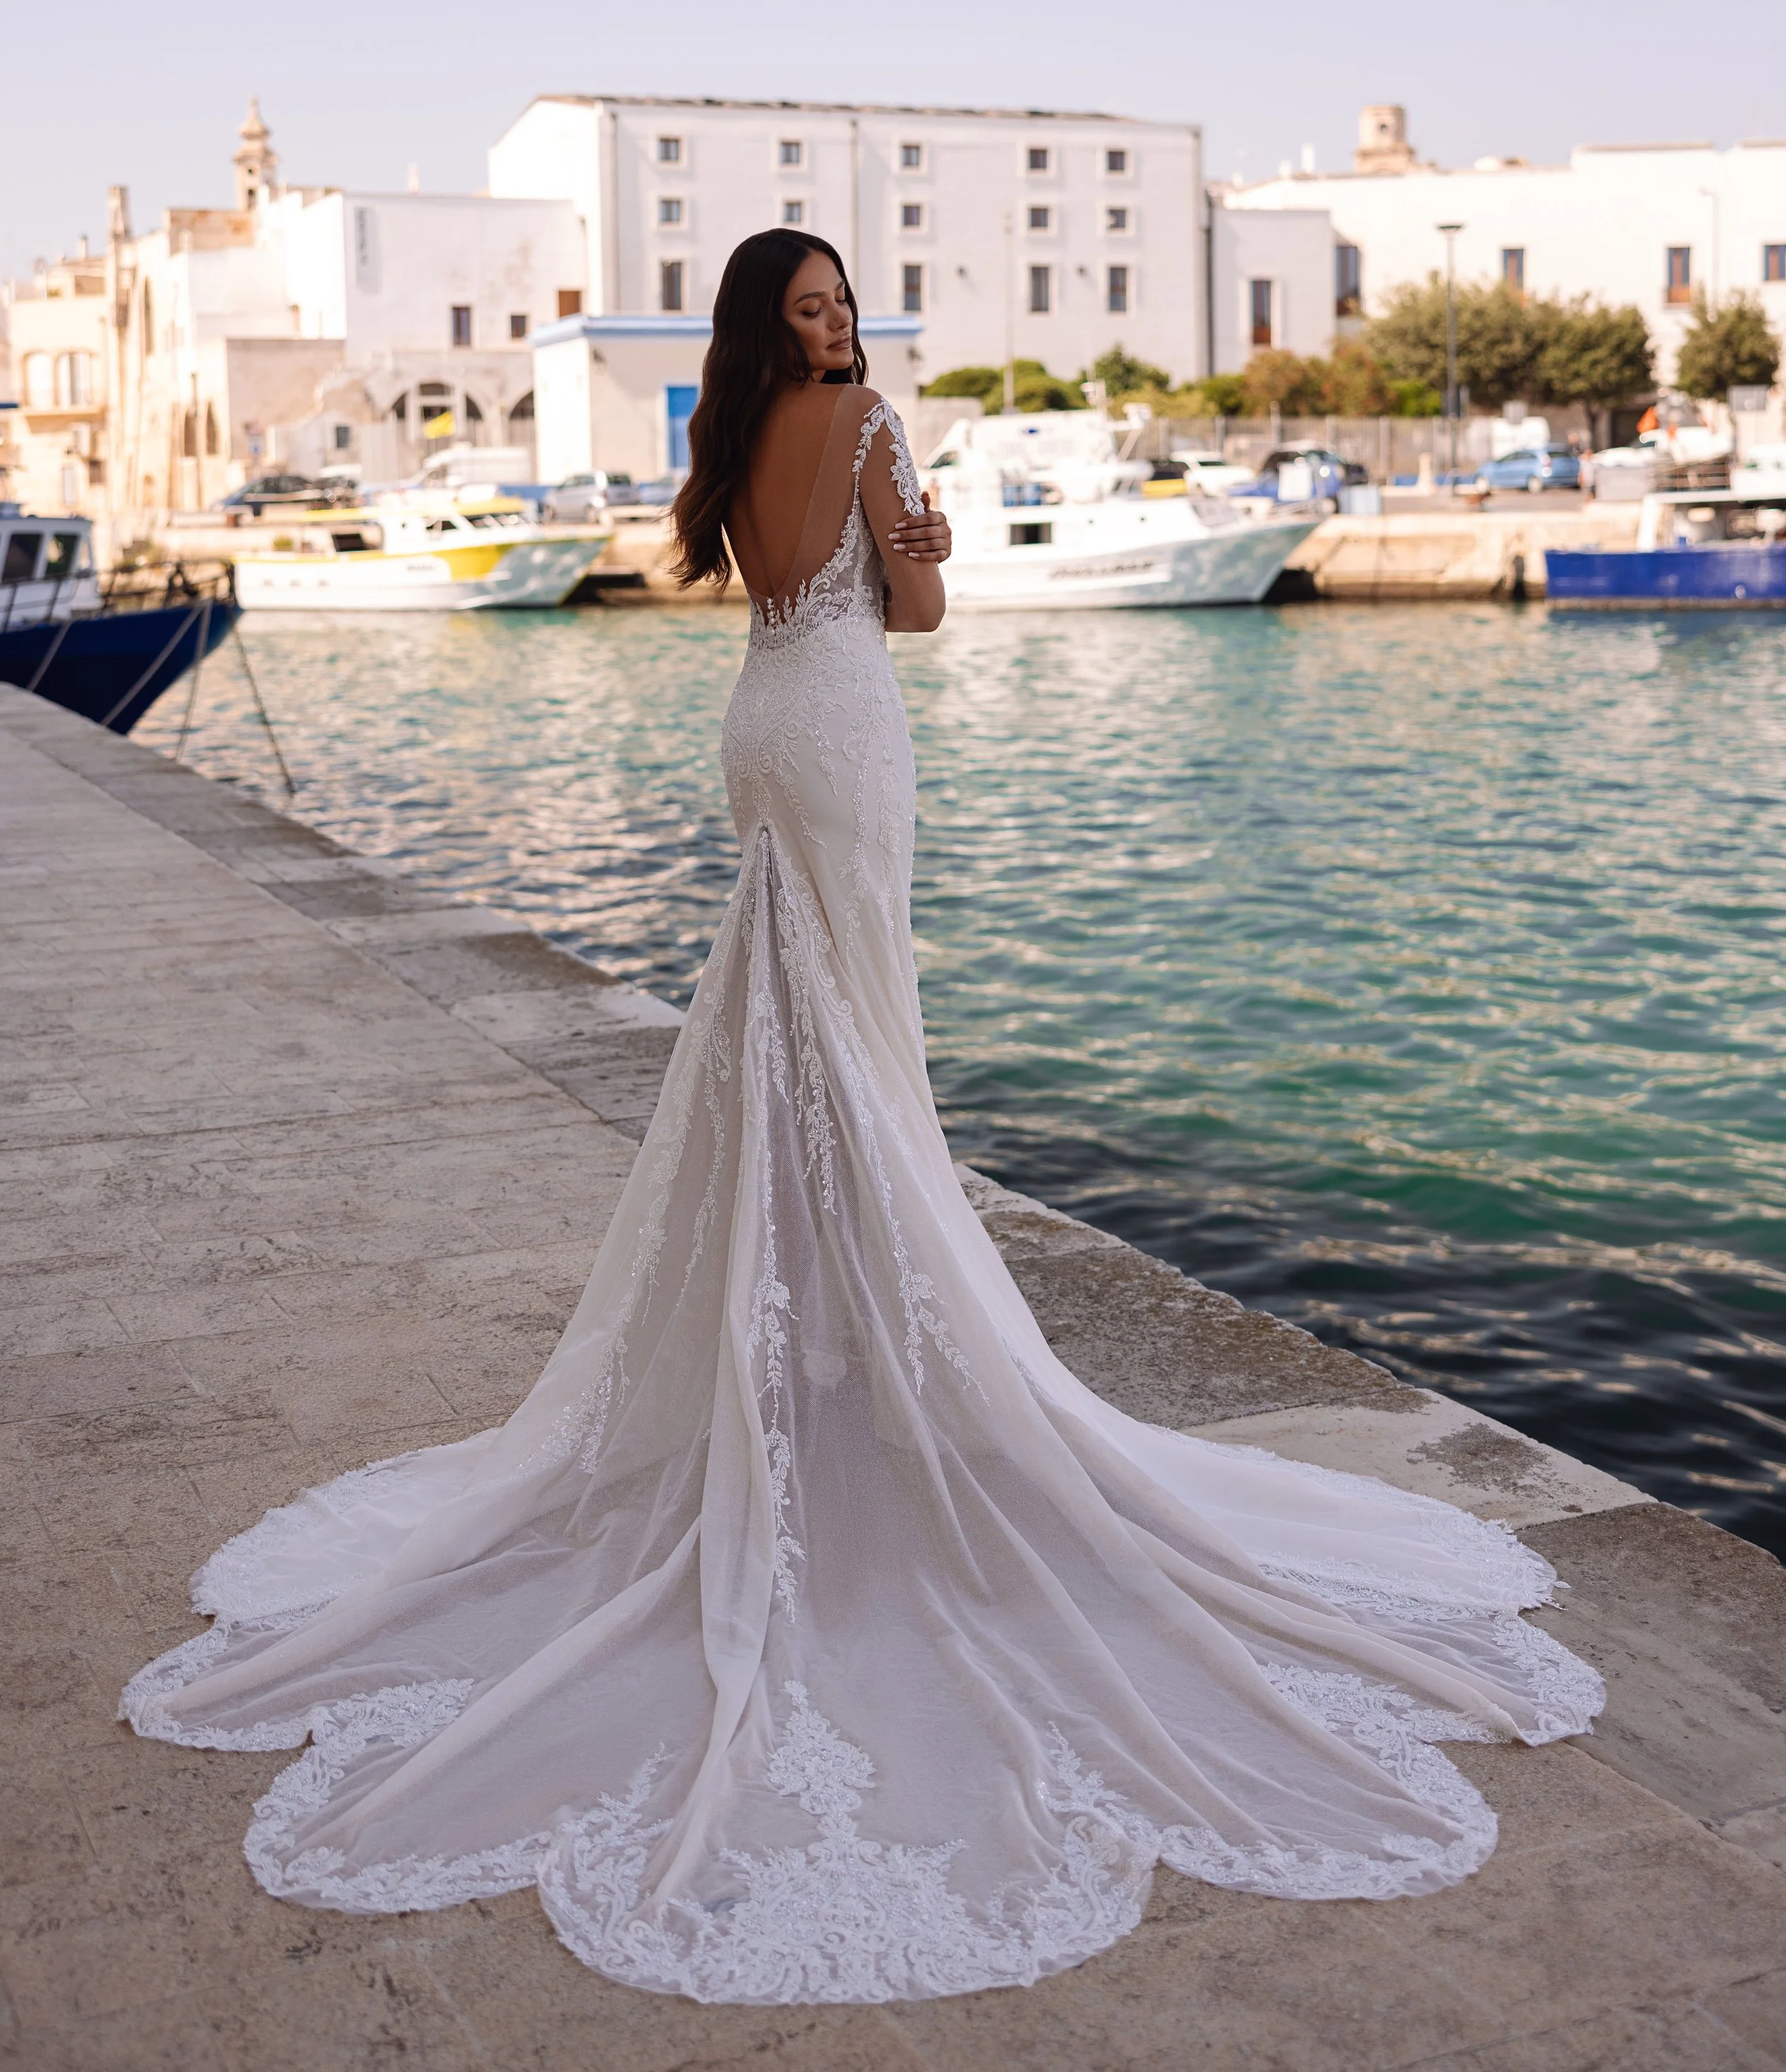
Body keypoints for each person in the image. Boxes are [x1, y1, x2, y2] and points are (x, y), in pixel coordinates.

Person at [122, 231, 1602, 2006]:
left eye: (838, 309)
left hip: (761, 724)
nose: (830, 330)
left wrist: (879, 528)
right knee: (859, 1049)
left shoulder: (731, 427)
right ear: (781, 327)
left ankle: (808, 1330)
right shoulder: (865, 411)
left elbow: (778, 572)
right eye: (809, 311)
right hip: (844, 728)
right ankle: (862, 1340)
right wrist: (924, 538)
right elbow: (911, 611)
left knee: (783, 1034)